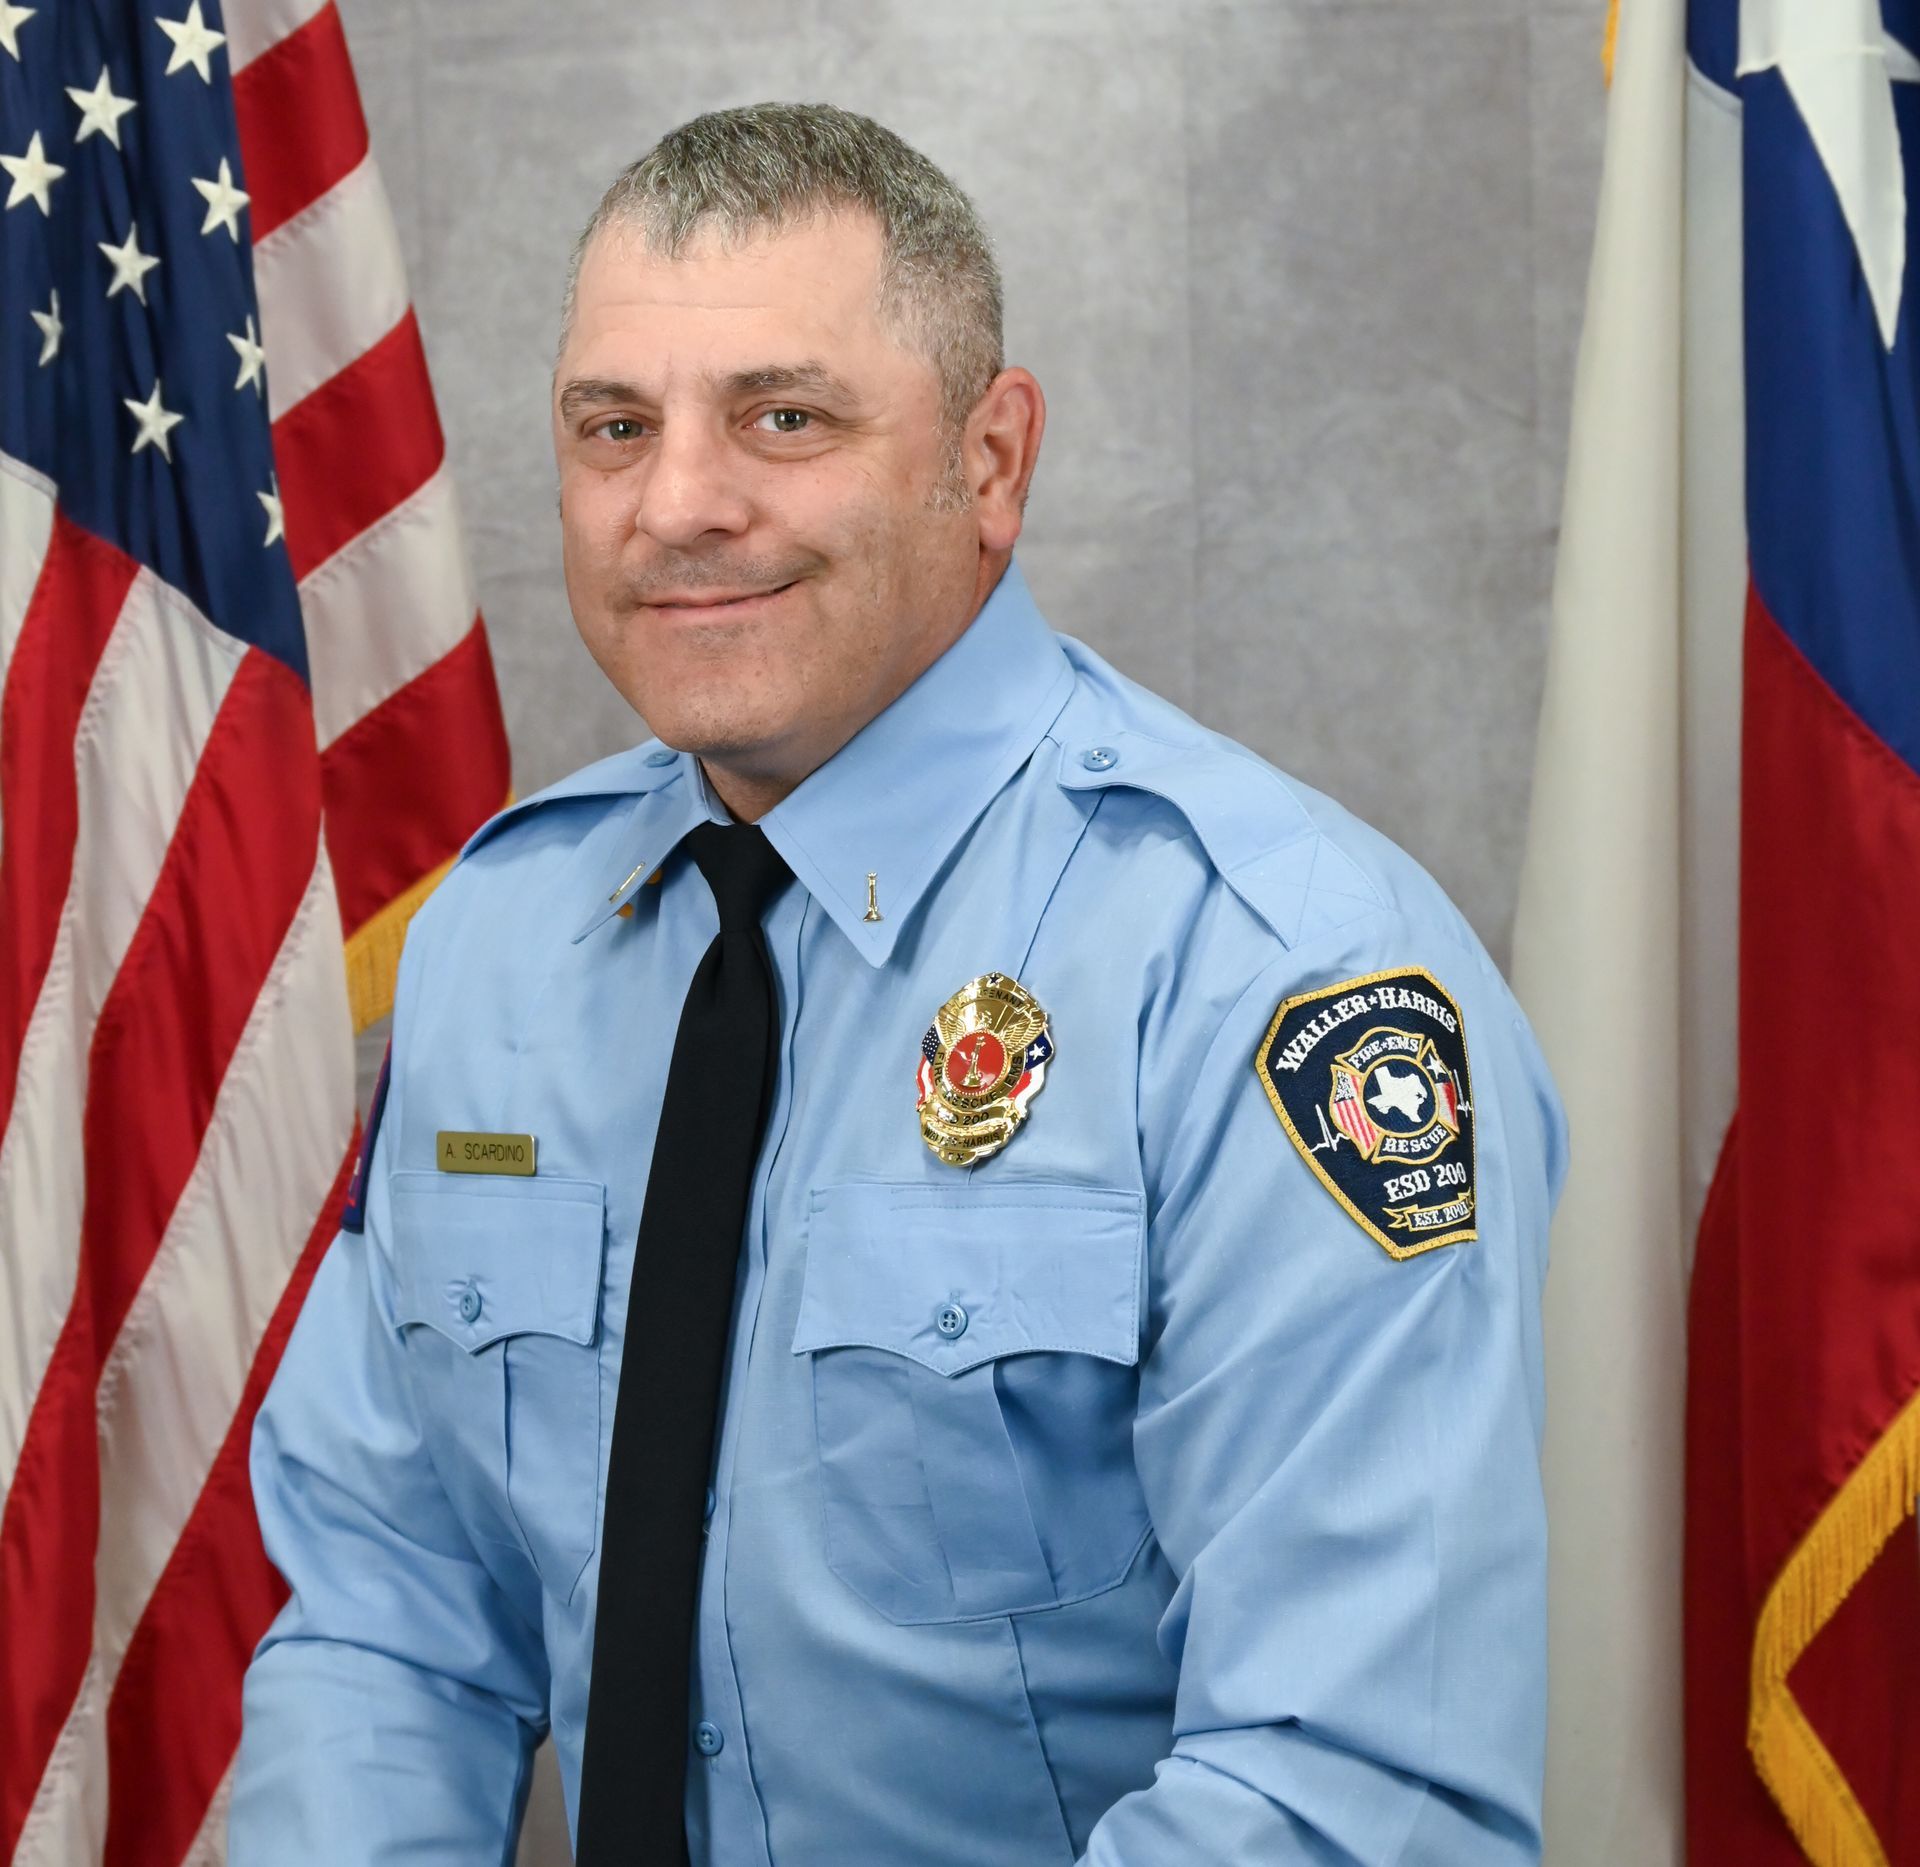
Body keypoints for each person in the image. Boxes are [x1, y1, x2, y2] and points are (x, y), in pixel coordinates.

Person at [230, 103, 1566, 1866]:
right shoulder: (497, 945)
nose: (681, 506)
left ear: (992, 461)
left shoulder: (1273, 972)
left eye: (785, 419)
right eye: (613, 428)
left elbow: (1348, 1789)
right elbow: (386, 1626)